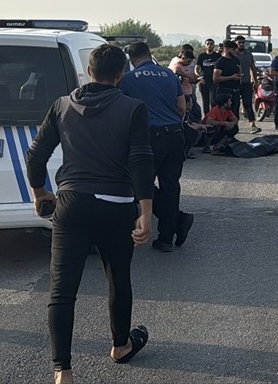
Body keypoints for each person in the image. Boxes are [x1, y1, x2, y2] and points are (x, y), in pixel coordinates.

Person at [25, 44, 154, 384]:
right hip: (116, 205)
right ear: (120, 75)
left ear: (88, 72)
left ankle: (62, 371)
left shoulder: (62, 105)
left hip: (71, 203)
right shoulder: (133, 108)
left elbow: (36, 154)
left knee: (62, 290)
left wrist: (40, 193)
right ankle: (121, 345)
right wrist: (146, 213)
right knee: (118, 277)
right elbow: (141, 160)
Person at [120, 41, 194, 254]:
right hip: (175, 135)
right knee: (170, 186)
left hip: (148, 137)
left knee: (139, 185)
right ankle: (166, 239)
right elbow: (182, 107)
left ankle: (178, 220)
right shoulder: (169, 74)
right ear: (149, 54)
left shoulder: (128, 79)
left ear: (131, 59)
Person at [233, 35, 261, 133]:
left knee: (248, 104)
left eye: (243, 42)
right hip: (235, 83)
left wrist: (255, 81)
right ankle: (235, 126)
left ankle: (253, 125)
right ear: (236, 43)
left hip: (246, 83)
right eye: (239, 42)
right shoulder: (233, 54)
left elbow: (253, 68)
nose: (241, 44)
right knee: (235, 105)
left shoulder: (248, 54)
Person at [211, 40, 242, 128]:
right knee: (224, 114)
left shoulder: (235, 60)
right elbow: (215, 78)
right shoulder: (220, 62)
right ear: (227, 49)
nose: (235, 51)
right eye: (233, 50)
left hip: (235, 91)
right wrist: (231, 77)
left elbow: (239, 70)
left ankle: (233, 132)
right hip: (224, 91)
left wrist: (239, 76)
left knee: (235, 114)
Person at [195, 39, 221, 111]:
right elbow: (196, 69)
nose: (209, 45)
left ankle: (213, 116)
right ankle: (207, 117)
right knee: (205, 102)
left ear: (214, 45)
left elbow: (222, 68)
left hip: (214, 82)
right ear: (205, 45)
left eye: (211, 44)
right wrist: (200, 78)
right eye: (208, 44)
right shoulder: (201, 56)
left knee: (213, 101)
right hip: (204, 82)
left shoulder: (218, 56)